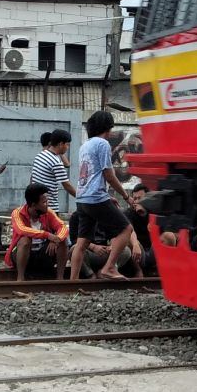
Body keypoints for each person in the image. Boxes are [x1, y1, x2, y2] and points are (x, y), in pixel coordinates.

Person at [70, 111, 134, 280]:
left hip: (82, 198)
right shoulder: (103, 144)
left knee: (82, 243)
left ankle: (72, 282)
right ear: (108, 127)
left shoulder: (85, 145)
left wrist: (106, 195)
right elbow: (109, 174)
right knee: (126, 228)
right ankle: (110, 268)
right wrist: (126, 196)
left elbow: (92, 174)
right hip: (95, 197)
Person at [5, 183, 68, 281]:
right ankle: (20, 278)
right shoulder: (17, 213)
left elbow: (63, 227)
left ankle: (60, 278)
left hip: (43, 255)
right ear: (34, 205)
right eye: (44, 202)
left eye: (47, 201)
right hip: (23, 255)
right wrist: (47, 235)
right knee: (25, 240)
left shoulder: (49, 212)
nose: (48, 204)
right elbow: (21, 230)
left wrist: (56, 239)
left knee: (63, 241)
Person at [69, 209, 137, 278]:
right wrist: (93, 247)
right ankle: (90, 274)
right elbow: (74, 239)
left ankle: (104, 271)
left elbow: (113, 235)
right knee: (74, 249)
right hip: (87, 252)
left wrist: (112, 246)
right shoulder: (76, 216)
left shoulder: (106, 216)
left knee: (126, 250)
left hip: (104, 251)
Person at [31, 128, 77, 214]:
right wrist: (81, 197)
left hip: (37, 205)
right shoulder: (56, 162)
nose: (68, 148)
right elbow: (67, 185)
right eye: (67, 145)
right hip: (49, 207)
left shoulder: (39, 155)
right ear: (61, 144)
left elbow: (32, 179)